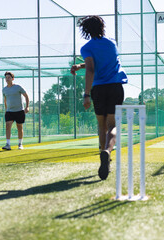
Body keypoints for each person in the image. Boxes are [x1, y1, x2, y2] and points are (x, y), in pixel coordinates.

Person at [71, 15, 128, 180]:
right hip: (116, 87)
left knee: (101, 125)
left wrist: (86, 94)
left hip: (99, 90)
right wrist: (81, 65)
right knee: (113, 126)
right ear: (102, 27)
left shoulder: (86, 48)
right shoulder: (112, 43)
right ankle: (107, 152)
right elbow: (101, 62)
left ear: (86, 30)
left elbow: (91, 69)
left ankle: (103, 156)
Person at [2, 72, 30, 150]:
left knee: (19, 127)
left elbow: (26, 96)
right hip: (9, 111)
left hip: (19, 111)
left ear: (12, 79)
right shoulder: (4, 89)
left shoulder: (18, 87)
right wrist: (6, 109)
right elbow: (5, 100)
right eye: (6, 78)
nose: (7, 79)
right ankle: (8, 144)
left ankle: (20, 144)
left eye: (9, 78)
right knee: (7, 126)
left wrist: (27, 107)